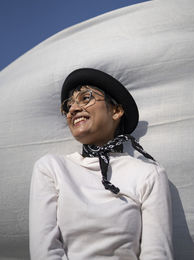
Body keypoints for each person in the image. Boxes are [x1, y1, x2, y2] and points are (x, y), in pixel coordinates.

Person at [29, 68, 173, 260]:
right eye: (68, 105)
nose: (72, 110)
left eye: (85, 98)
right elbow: (44, 251)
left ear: (116, 110)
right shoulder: (51, 168)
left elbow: (157, 254)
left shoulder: (149, 175)